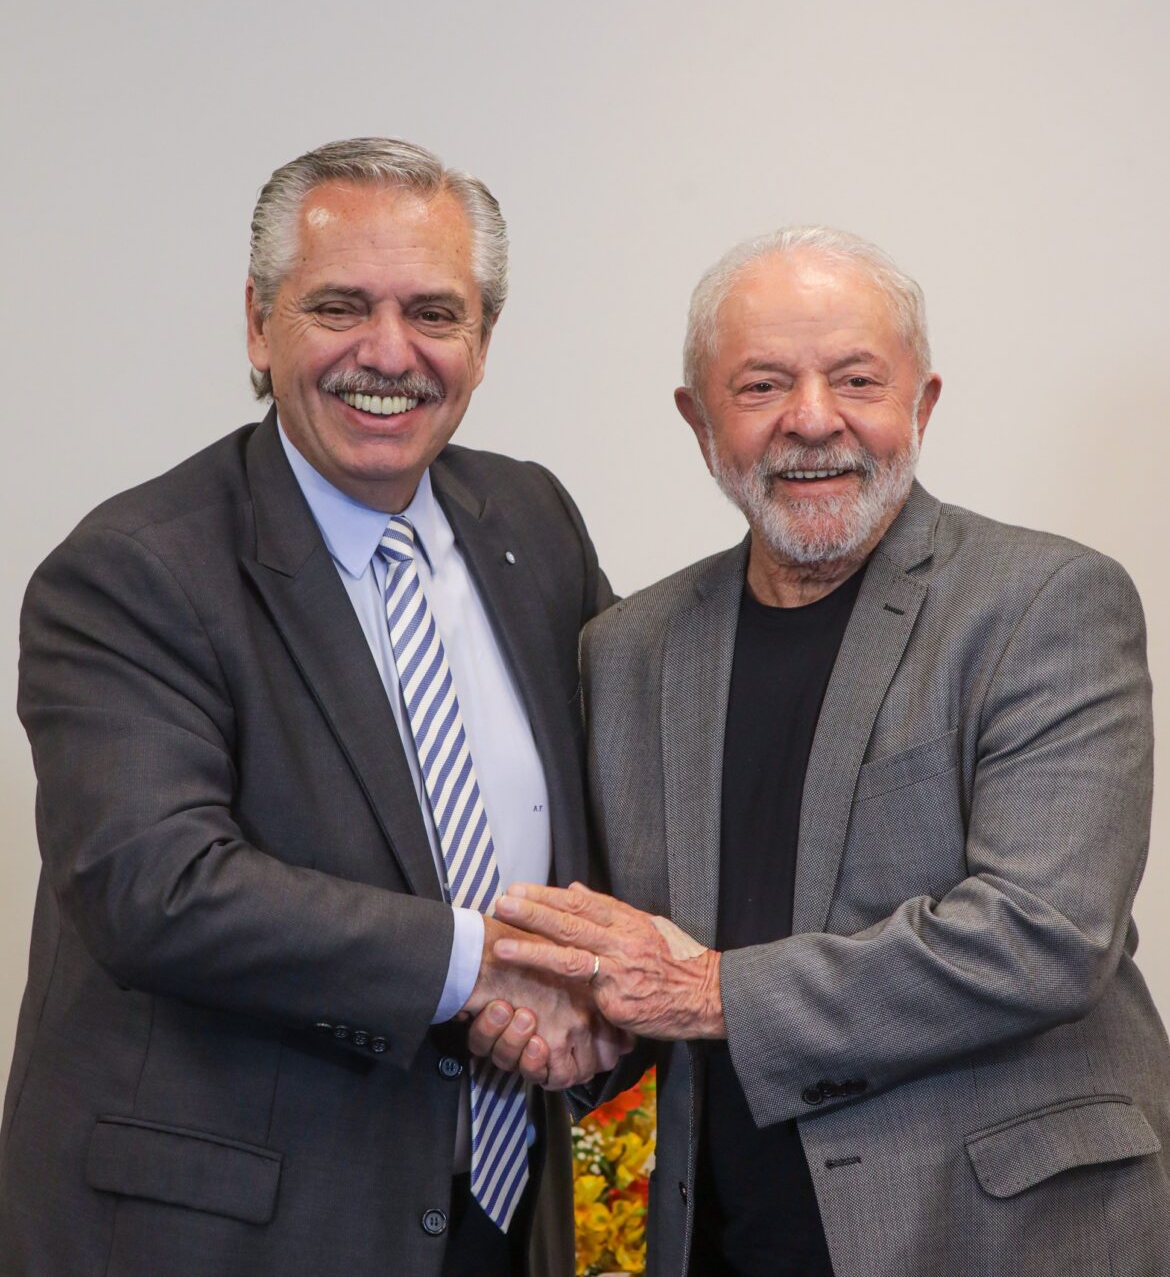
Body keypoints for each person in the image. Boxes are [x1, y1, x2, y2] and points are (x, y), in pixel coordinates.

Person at [483, 226, 1170, 1275]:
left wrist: (710, 989)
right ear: (699, 421)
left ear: (921, 403)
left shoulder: (1046, 602)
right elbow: (621, 958)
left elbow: (1043, 935)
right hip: (725, 1238)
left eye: (857, 379)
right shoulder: (626, 649)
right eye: (762, 385)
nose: (812, 419)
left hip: (998, 1235)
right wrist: (554, 1008)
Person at [0, 137, 626, 1277]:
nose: (388, 352)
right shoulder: (133, 569)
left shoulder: (533, 519)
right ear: (258, 322)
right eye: (340, 305)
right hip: (233, 1232)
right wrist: (485, 962)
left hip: (504, 1208)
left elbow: (626, 784)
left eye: (433, 312)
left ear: (483, 339)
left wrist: (608, 976)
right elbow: (158, 887)